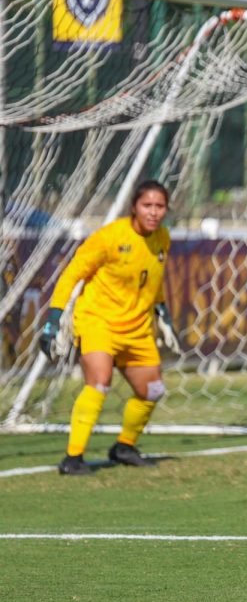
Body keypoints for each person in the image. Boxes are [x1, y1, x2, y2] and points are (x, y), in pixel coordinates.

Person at [38, 180, 181, 475]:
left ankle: (124, 447)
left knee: (152, 390)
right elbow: (70, 274)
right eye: (147, 205)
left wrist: (162, 310)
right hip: (98, 321)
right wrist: (54, 318)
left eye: (160, 206)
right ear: (134, 207)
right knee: (99, 382)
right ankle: (73, 458)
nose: (154, 212)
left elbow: (152, 279)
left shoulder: (163, 238)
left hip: (138, 327)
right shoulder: (109, 238)